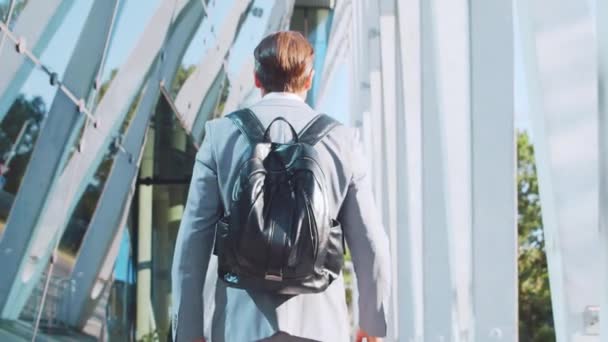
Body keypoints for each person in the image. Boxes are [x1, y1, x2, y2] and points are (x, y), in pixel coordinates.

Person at [171, 30, 391, 342]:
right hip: (320, 328)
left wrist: (190, 331)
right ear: (309, 79)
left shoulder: (219, 136)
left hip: (238, 327)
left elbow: (192, 242)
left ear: (257, 79)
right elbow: (371, 243)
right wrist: (372, 324)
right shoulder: (343, 142)